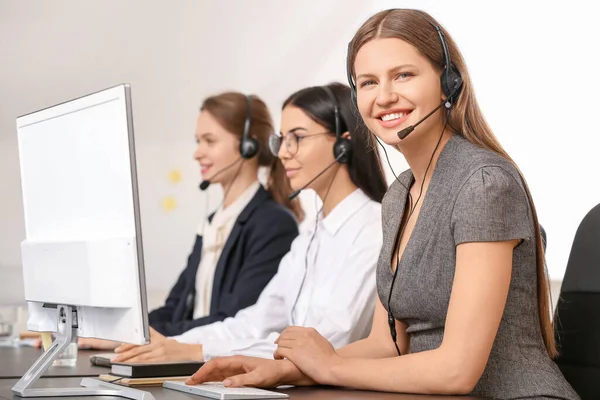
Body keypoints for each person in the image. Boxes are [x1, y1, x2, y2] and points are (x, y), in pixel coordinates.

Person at [185, 9, 580, 400]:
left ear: (448, 83)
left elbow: (458, 370)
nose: (385, 96)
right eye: (368, 82)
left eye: (403, 75)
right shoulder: (399, 196)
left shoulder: (483, 184)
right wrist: (287, 370)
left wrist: (330, 366)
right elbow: (386, 344)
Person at [110, 82, 388, 363]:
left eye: (298, 138)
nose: (283, 153)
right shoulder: (309, 237)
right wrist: (170, 345)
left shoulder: (373, 229)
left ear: (343, 144)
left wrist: (194, 351)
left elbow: (327, 343)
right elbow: (254, 323)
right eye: (282, 140)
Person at [79, 92, 302, 350]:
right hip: (186, 357)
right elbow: (175, 307)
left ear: (247, 145)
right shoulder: (213, 221)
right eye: (198, 141)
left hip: (214, 360)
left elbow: (234, 320)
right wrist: (118, 332)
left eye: (209, 141)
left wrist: (147, 339)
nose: (197, 153)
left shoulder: (273, 224)